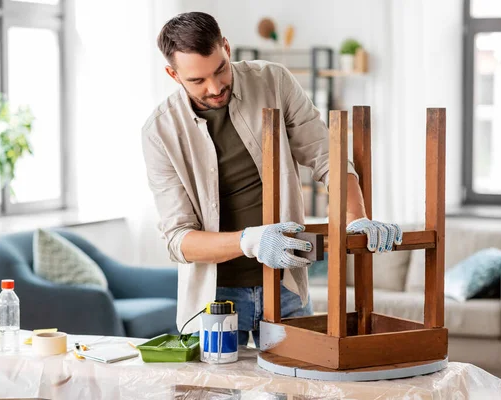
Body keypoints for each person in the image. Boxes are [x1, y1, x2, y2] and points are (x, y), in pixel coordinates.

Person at [141, 11, 402, 347]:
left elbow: (326, 156)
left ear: (226, 47)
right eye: (197, 81)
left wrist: (356, 216)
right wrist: (250, 241)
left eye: (220, 69)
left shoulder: (273, 81)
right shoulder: (159, 132)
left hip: (286, 286)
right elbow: (178, 239)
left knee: (296, 392)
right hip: (213, 299)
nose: (215, 87)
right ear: (172, 74)